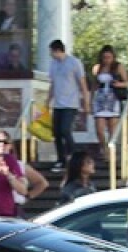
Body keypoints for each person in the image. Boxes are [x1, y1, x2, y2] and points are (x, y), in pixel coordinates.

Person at [46, 39, 90, 173]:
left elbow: (82, 84)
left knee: (65, 130)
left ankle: (75, 156)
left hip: (70, 104)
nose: (51, 55)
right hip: (57, 104)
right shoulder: (53, 64)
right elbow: (53, 83)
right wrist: (48, 100)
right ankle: (61, 160)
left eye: (52, 52)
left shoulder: (74, 63)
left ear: (57, 50)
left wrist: (86, 103)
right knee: (57, 133)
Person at [0, 130, 47, 211]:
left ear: (10, 145)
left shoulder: (19, 165)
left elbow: (42, 183)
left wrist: (28, 196)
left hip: (14, 206)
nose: (1, 145)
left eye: (5, 142)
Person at [90, 45, 128, 151]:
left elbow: (127, 83)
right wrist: (90, 100)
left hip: (113, 98)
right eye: (104, 57)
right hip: (100, 99)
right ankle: (104, 148)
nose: (107, 60)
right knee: (99, 129)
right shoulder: (97, 68)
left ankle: (112, 153)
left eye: (109, 57)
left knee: (112, 129)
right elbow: (94, 85)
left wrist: (118, 84)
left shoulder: (118, 67)